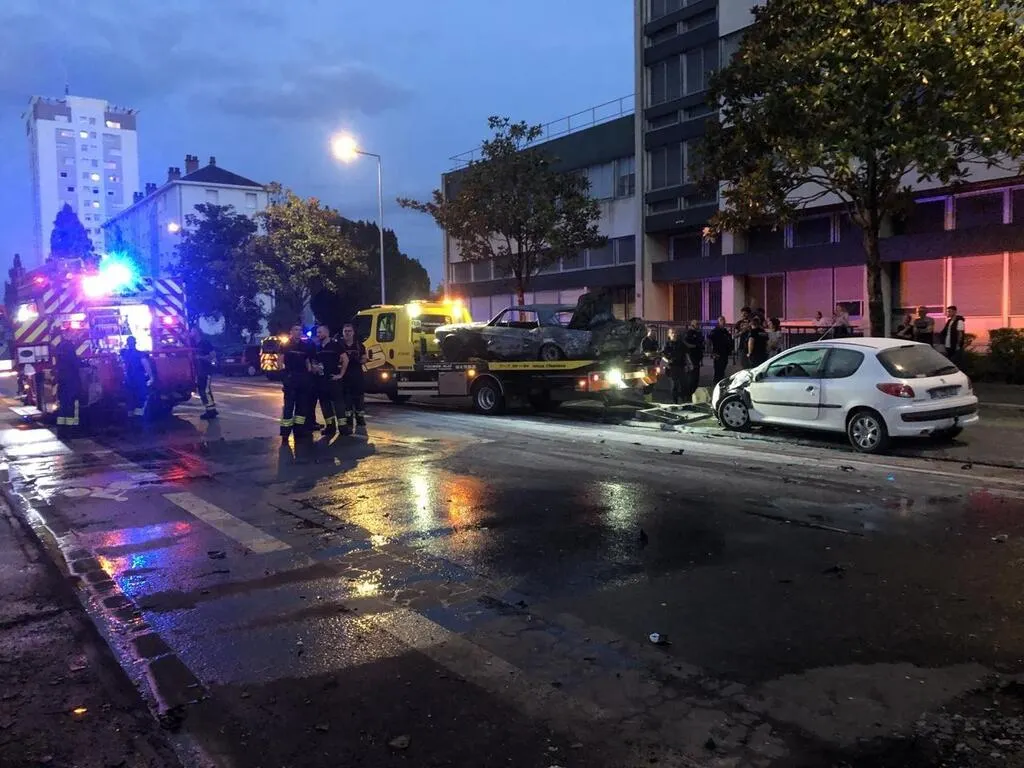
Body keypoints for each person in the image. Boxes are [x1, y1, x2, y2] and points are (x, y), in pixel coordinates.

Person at [280, 324, 314, 441]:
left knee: (301, 407)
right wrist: (284, 376)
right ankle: (285, 433)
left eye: (300, 330)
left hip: (303, 379)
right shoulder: (285, 345)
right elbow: (280, 361)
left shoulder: (305, 346)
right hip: (290, 378)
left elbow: (307, 362)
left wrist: (309, 372)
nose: (298, 332)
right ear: (291, 332)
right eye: (296, 330)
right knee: (289, 407)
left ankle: (299, 431)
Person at [313, 324, 347, 439]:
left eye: (320, 332)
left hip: (333, 379)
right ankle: (330, 427)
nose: (318, 335)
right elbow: (314, 361)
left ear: (327, 333)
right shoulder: (317, 347)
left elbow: (345, 359)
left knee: (339, 404)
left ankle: (343, 428)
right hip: (321, 381)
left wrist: (340, 375)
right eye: (317, 333)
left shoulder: (335, 345)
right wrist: (315, 367)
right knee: (325, 404)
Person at [339, 322, 368, 433]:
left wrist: (360, 359)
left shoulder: (359, 345)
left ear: (353, 332)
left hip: (357, 376)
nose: (347, 333)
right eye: (345, 331)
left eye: (349, 331)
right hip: (344, 376)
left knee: (359, 400)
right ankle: (349, 420)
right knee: (347, 401)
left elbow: (364, 358)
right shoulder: (339, 345)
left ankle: (360, 419)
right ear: (342, 332)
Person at [54, 336, 83, 438]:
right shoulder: (70, 355)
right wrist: (85, 364)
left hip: (63, 384)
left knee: (63, 406)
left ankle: (62, 431)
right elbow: (76, 363)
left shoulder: (60, 358)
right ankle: (71, 431)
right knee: (72, 406)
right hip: (71, 383)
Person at [121, 335, 153, 418]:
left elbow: (122, 367)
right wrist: (151, 377)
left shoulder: (124, 355)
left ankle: (131, 418)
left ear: (127, 343)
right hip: (139, 378)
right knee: (141, 397)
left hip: (128, 379)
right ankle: (139, 419)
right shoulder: (140, 354)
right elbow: (146, 365)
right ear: (135, 343)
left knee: (130, 398)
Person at [191, 328, 218, 420]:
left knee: (206, 391)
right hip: (199, 371)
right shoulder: (195, 344)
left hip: (206, 370)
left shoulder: (205, 343)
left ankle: (211, 411)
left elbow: (213, 354)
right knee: (202, 391)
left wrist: (201, 357)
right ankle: (209, 409)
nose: (191, 332)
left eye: (192, 331)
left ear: (197, 332)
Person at [661, 328, 689, 405]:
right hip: (672, 367)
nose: (674, 334)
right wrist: (667, 361)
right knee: (674, 385)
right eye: (672, 333)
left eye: (675, 332)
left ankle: (684, 400)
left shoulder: (681, 343)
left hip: (681, 366)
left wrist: (689, 364)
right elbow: (662, 355)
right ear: (669, 335)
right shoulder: (667, 344)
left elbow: (686, 354)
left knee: (683, 384)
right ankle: (675, 402)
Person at [683, 320, 704, 399]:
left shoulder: (699, 333)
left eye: (698, 324)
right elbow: (685, 343)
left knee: (696, 377)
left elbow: (701, 343)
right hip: (692, 357)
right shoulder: (689, 333)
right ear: (692, 325)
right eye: (697, 324)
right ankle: (688, 394)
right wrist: (694, 346)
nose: (698, 325)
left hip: (698, 357)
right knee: (691, 377)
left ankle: (694, 393)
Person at [708, 316, 733, 386]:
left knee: (722, 370)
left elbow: (729, 339)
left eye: (724, 320)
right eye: (721, 320)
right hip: (717, 354)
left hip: (725, 353)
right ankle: (716, 385)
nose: (723, 322)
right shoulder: (715, 331)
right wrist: (712, 352)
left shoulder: (725, 331)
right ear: (718, 322)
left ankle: (721, 384)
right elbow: (709, 341)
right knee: (718, 371)